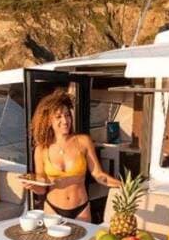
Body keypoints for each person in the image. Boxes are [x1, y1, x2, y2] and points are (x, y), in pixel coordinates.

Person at [21, 89, 121, 220]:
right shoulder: (41, 150)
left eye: (67, 115)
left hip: (81, 209)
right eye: (58, 117)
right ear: (48, 121)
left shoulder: (83, 141)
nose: (65, 120)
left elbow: (99, 175)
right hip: (52, 209)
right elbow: (42, 188)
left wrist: (123, 185)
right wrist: (33, 186)